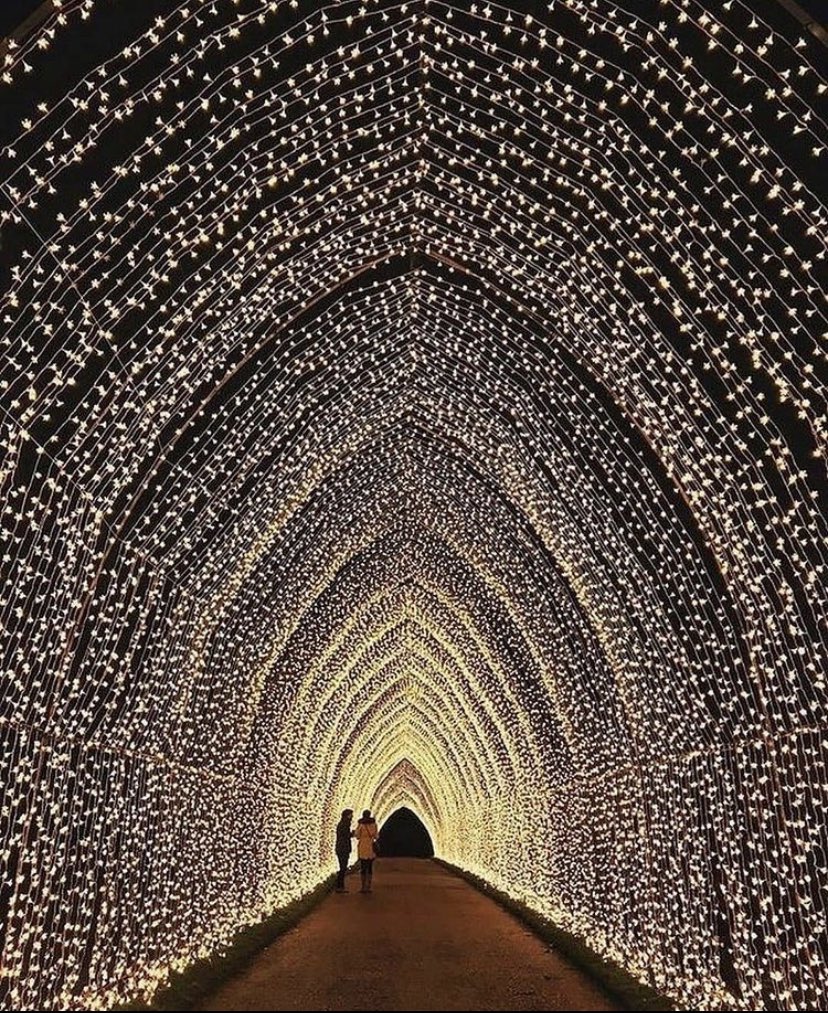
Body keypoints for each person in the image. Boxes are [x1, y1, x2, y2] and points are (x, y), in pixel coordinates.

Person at [354, 809, 379, 893]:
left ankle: (363, 886)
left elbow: (357, 836)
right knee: (370, 867)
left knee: (363, 867)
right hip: (371, 847)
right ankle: (369, 886)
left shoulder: (361, 825)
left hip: (363, 847)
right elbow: (376, 836)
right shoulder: (374, 824)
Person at [334, 808, 354, 892]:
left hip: (341, 848)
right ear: (347, 815)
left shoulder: (342, 823)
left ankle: (340, 886)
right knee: (343, 867)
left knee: (343, 867)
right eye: (351, 815)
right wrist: (352, 834)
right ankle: (339, 886)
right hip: (343, 848)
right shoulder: (344, 824)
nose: (352, 816)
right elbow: (345, 835)